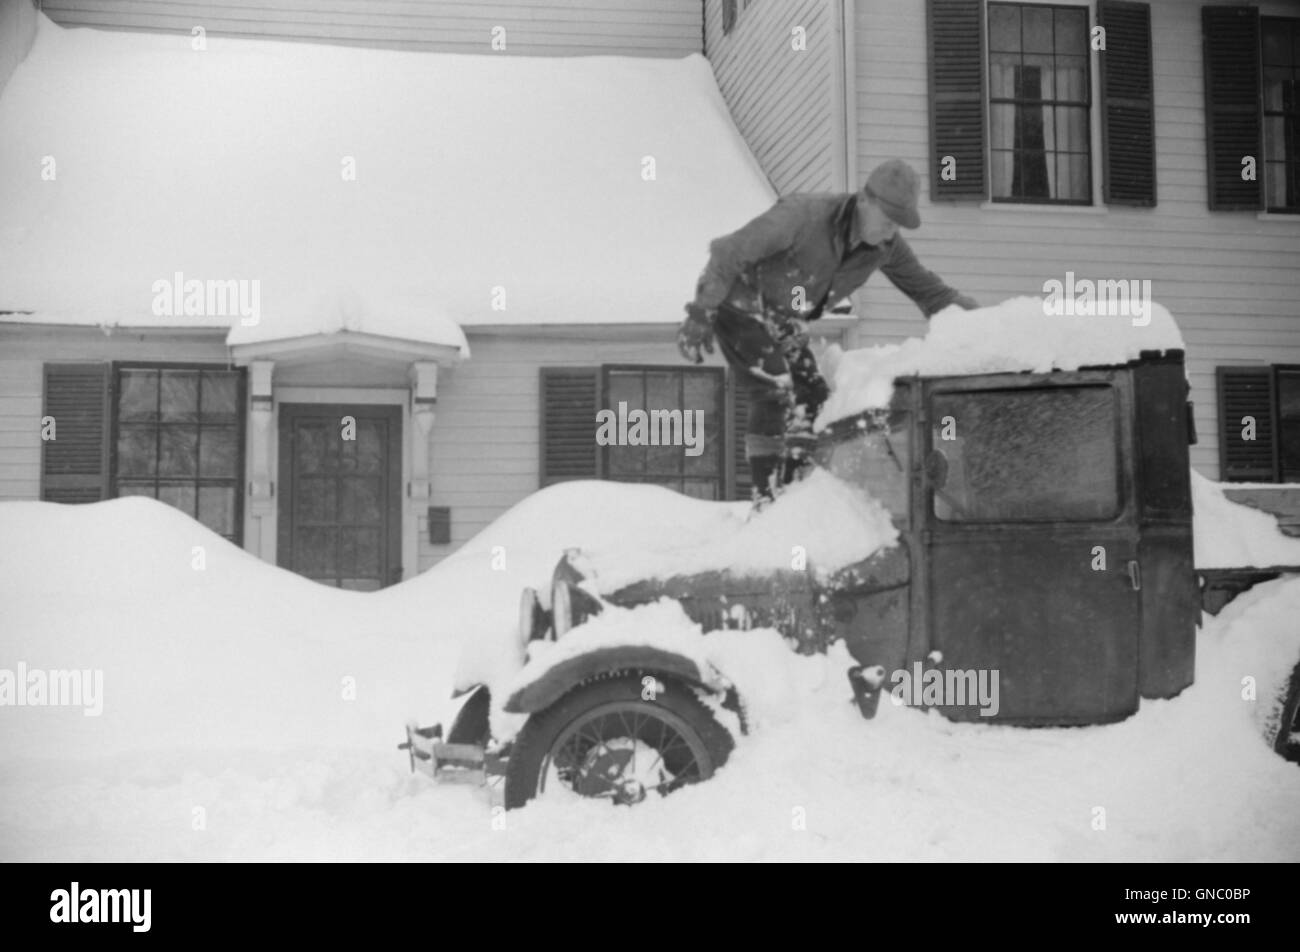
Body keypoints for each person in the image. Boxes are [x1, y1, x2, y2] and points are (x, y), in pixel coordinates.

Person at [678, 158, 978, 503]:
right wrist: (701, 311)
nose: (891, 231)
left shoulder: (885, 248)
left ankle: (791, 494)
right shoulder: (803, 215)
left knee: (815, 401)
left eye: (898, 225)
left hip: (783, 318)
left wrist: (988, 324)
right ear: (864, 200)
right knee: (774, 385)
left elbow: (930, 292)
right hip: (739, 302)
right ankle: (766, 500)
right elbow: (728, 251)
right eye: (887, 220)